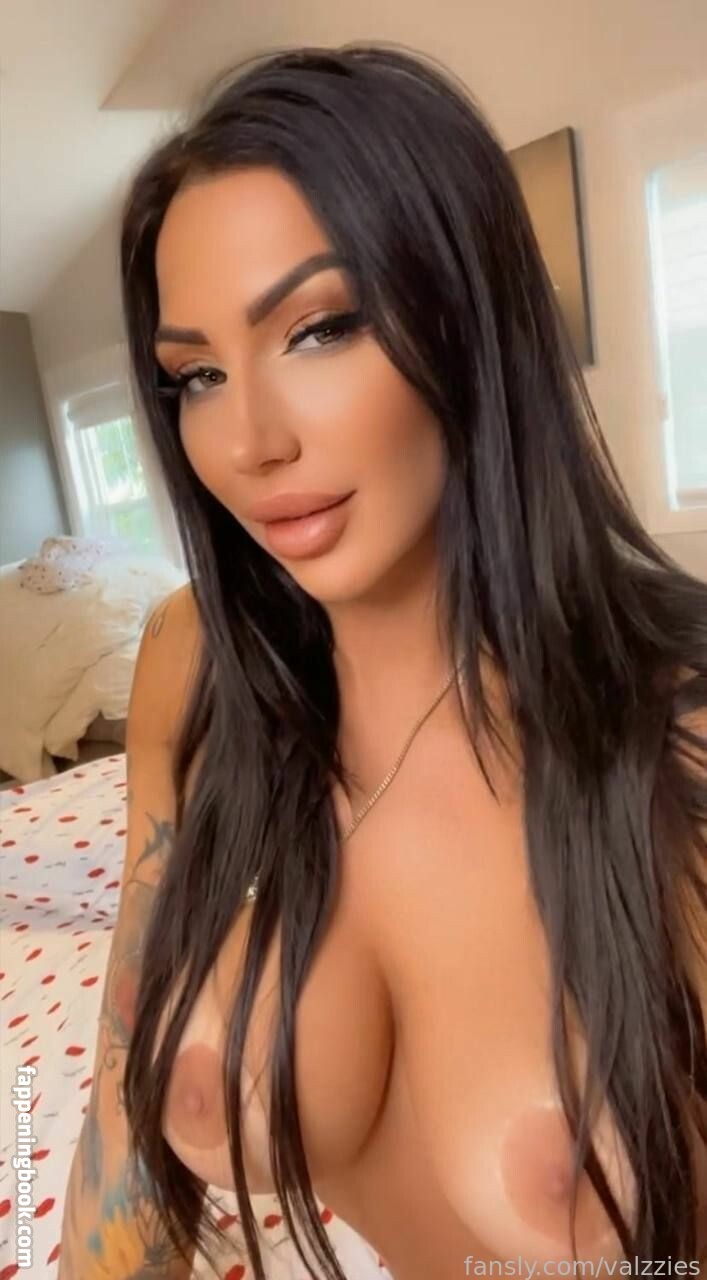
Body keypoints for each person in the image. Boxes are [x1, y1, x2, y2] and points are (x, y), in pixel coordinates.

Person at [58, 43, 707, 1280]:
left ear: (464, 316)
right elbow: (122, 1134)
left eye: (318, 329)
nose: (247, 441)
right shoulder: (195, 671)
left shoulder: (673, 735)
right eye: (197, 375)